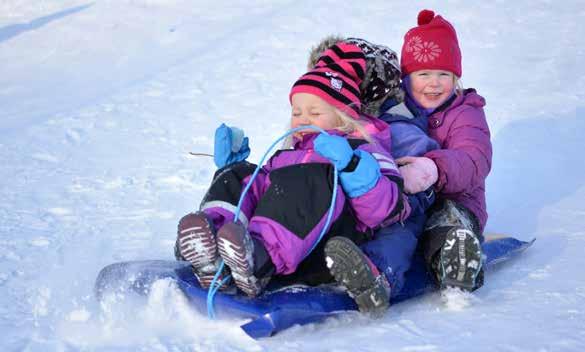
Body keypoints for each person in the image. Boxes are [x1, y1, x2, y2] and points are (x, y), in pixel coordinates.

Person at [174, 42, 411, 313]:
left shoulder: (364, 148)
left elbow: (386, 211)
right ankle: (214, 250)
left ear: (344, 117)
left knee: (309, 178)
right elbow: (260, 189)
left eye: (314, 112)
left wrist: (351, 166)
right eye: (296, 112)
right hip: (292, 242)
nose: (301, 119)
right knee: (243, 176)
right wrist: (233, 169)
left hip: (325, 252)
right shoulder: (289, 153)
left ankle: (257, 258)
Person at [307, 36, 439, 302]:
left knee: (400, 228)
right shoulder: (326, 123)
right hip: (352, 205)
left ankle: (379, 275)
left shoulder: (397, 128)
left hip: (397, 203)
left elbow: (421, 163)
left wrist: (406, 177)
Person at [382, 9, 493, 292]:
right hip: (408, 201)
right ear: (406, 78)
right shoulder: (395, 111)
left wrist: (433, 168)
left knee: (446, 221)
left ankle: (456, 260)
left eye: (444, 74)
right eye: (424, 73)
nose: (435, 83)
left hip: (455, 201)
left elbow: (474, 159)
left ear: (456, 77)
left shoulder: (466, 113)